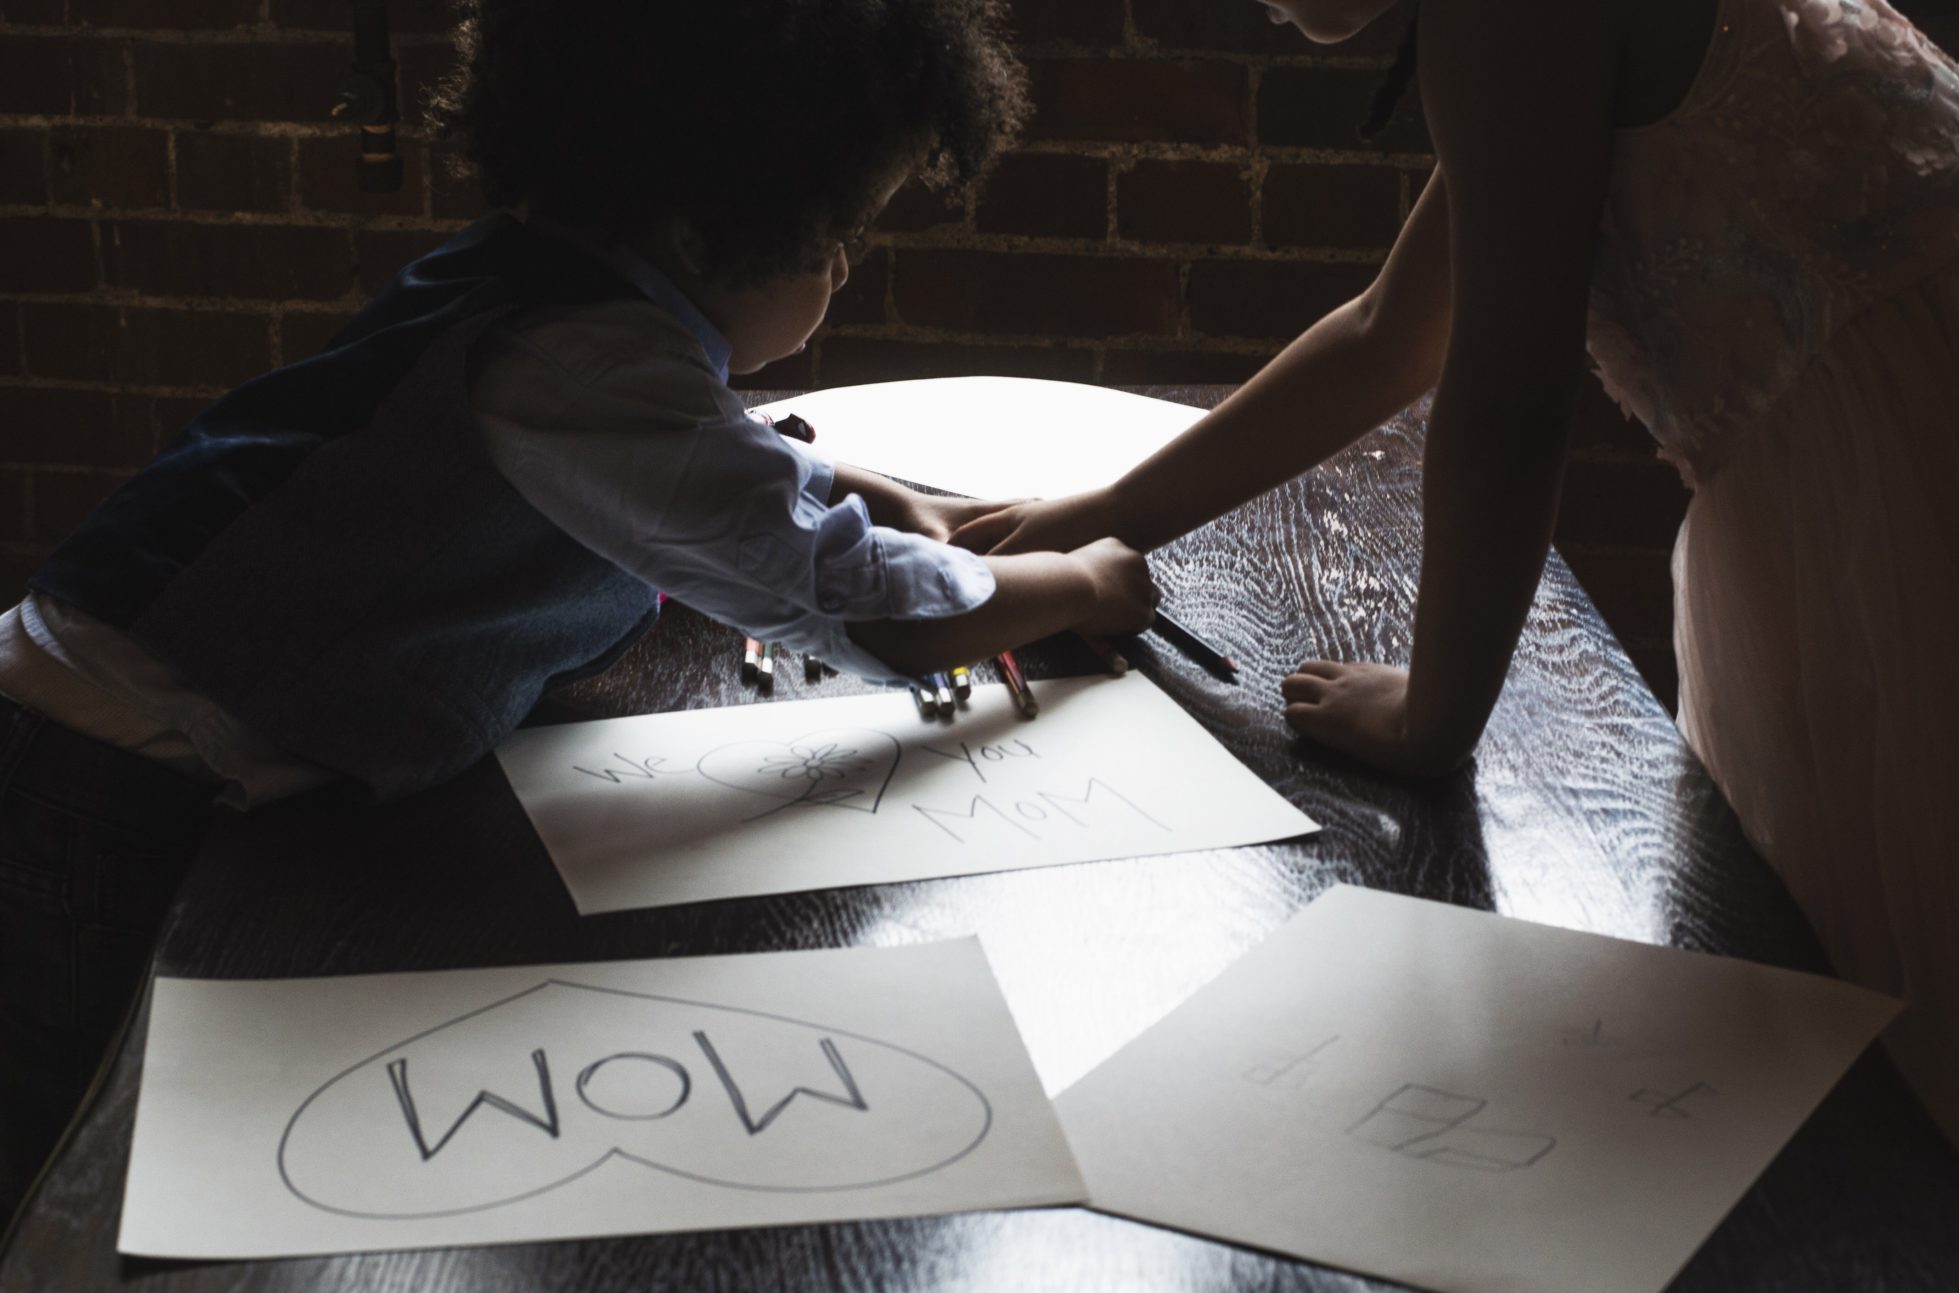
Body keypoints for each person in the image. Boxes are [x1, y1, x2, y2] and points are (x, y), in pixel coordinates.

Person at [0, 0, 1152, 1226]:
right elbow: (876, 616)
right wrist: (1084, 579)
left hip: (128, 722)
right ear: (714, 227)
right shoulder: (583, 365)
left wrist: (884, 496)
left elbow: (715, 455)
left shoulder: (548, 288)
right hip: (101, 784)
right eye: (838, 235)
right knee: (68, 1162)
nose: (845, 269)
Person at [955, 0, 1959, 1256]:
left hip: (1915, 508)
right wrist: (1100, 515)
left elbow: (1511, 390)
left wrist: (1437, 710)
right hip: (1929, 447)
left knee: (1936, 1056)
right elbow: (1391, 332)